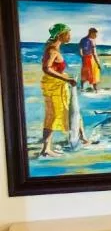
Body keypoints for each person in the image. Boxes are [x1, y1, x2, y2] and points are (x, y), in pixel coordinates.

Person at [40, 24, 89, 156]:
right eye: (68, 33)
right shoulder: (52, 50)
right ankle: (46, 149)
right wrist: (66, 79)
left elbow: (53, 68)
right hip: (54, 87)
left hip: (59, 85)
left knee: (73, 110)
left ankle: (83, 137)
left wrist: (65, 79)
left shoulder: (55, 49)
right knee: (53, 115)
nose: (70, 36)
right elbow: (46, 68)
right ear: (60, 35)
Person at [78, 27, 101, 91]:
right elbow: (94, 53)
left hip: (85, 58)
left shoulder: (82, 40)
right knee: (94, 73)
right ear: (91, 33)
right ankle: (95, 89)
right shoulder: (92, 41)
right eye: (95, 34)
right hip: (91, 59)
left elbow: (80, 51)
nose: (96, 36)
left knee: (84, 73)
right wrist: (98, 63)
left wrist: (83, 56)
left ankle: (82, 88)